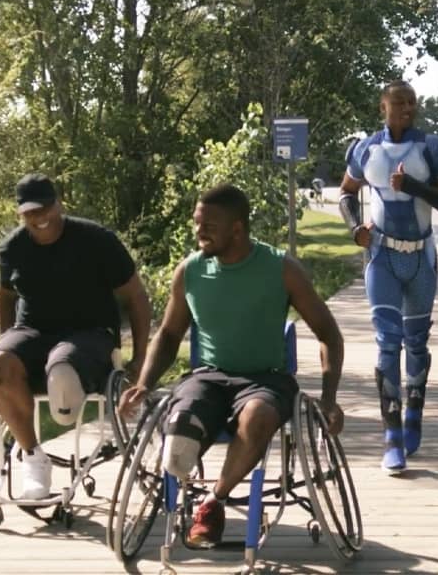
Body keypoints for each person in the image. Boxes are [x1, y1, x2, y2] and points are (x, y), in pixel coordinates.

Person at [119, 183, 344, 547]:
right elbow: (170, 335)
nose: (199, 231)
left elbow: (329, 335)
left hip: (266, 381)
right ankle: (184, 498)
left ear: (237, 228)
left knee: (256, 418)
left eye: (208, 225)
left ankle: (212, 503)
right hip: (208, 377)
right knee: (178, 428)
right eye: (197, 223)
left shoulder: (281, 269)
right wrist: (145, 382)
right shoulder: (190, 272)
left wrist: (329, 398)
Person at [0, 173, 151, 499]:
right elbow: (6, 295)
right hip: (34, 331)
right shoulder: (13, 248)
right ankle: (33, 457)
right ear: (20, 213)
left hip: (90, 333)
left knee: (62, 366)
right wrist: (8, 341)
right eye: (30, 213)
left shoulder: (97, 240)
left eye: (45, 208)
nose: (39, 218)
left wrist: (140, 357)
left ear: (58, 204)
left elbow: (136, 297)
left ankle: (62, 393)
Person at [338, 80, 438, 474]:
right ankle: (391, 435)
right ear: (383, 107)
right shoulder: (365, 148)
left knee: (416, 343)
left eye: (412, 102)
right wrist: (355, 226)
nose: (408, 108)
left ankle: (414, 413)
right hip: (382, 257)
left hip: (421, 258)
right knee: (388, 345)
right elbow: (345, 193)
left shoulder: (432, 146)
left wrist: (413, 186)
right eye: (399, 102)